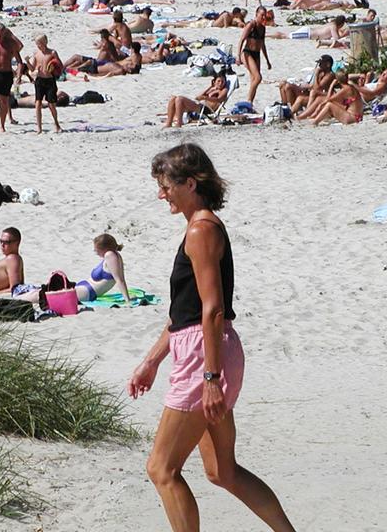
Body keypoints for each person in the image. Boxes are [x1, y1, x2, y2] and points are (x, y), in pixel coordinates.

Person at [128, 144, 296, 532]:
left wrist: (210, 378)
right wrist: (152, 361)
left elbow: (212, 309)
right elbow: (184, 314)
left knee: (161, 468)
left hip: (205, 355)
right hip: (210, 347)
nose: (161, 194)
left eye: (166, 185)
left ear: (190, 183)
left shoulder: (202, 230)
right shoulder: (200, 227)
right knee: (223, 471)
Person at [0, 23, 24, 133]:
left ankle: (2, 125)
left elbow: (20, 61)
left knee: (4, 101)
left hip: (6, 74)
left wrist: (19, 75)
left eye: (1, 35)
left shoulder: (10, 44)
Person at [78, 234, 133, 303]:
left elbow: (120, 280)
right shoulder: (116, 255)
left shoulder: (110, 255)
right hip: (86, 289)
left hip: (88, 291)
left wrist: (127, 300)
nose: (96, 252)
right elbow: (121, 279)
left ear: (104, 248)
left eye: (96, 249)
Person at [164, 72, 229, 127]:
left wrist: (205, 97)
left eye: (222, 81)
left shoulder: (224, 90)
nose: (220, 83)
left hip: (207, 110)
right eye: (218, 81)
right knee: (173, 98)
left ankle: (179, 123)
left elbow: (219, 99)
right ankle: (168, 123)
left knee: (179, 99)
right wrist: (210, 87)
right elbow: (198, 97)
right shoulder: (213, 89)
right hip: (201, 106)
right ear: (214, 82)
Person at [27, 34, 63, 133]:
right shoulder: (36, 53)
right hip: (40, 80)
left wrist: (54, 66)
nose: (39, 46)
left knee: (51, 104)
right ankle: (39, 127)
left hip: (50, 80)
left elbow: (61, 65)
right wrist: (27, 62)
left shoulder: (52, 52)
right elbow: (32, 68)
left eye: (40, 44)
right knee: (38, 103)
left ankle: (57, 124)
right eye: (37, 44)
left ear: (45, 42)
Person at [238, 6, 271, 105]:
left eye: (265, 15)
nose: (264, 18)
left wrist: (267, 61)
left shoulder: (263, 28)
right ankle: (248, 101)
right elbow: (241, 40)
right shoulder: (251, 25)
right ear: (257, 14)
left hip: (257, 54)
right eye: (262, 15)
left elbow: (262, 45)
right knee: (258, 77)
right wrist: (238, 56)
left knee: (254, 79)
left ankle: (250, 102)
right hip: (247, 53)